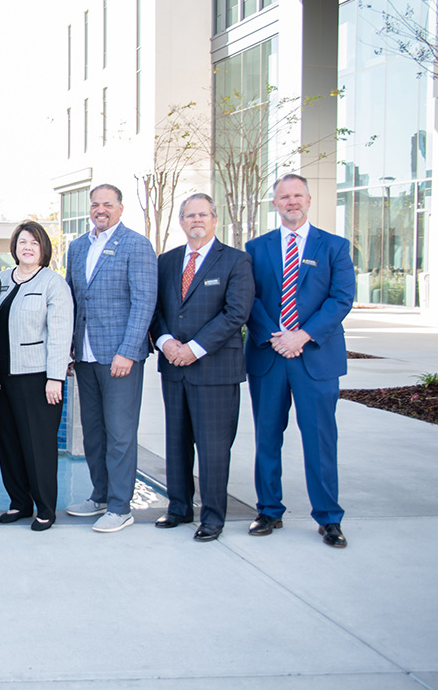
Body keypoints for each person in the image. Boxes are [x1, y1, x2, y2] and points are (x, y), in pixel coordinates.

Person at [245, 174, 355, 548]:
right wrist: (276, 338)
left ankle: (328, 518)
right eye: (283, 197)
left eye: (297, 196)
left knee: (321, 439)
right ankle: (268, 510)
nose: (291, 202)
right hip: (270, 355)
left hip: (316, 357)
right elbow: (250, 299)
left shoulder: (335, 247)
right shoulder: (255, 248)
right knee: (267, 437)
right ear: (275, 204)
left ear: (308, 200)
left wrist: (302, 336)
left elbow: (340, 299)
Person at [150, 194, 254, 542]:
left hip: (214, 369)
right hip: (173, 366)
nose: (196, 220)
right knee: (177, 442)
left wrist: (194, 349)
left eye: (202, 214)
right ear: (181, 222)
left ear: (214, 219)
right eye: (189, 215)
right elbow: (157, 309)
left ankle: (212, 516)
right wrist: (165, 342)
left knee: (212, 447)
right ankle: (179, 507)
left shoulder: (236, 261)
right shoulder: (166, 261)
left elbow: (236, 313)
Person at [64, 183, 157, 533]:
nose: (100, 209)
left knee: (120, 433)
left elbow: (144, 302)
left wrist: (128, 351)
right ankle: (100, 495)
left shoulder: (137, 245)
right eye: (95, 204)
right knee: (94, 433)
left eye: (107, 204)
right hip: (85, 357)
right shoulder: (77, 247)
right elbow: (74, 299)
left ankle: (121, 506)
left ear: (120, 208)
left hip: (120, 358)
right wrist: (70, 348)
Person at [0, 221, 74, 532]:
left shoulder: (54, 284)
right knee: (9, 442)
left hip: (37, 378)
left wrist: (56, 378)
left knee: (38, 445)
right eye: (23, 241)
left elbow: (59, 335)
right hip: (1, 378)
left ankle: (44, 508)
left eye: (34, 243)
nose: (27, 247)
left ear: (43, 249)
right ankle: (20, 502)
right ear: (14, 247)